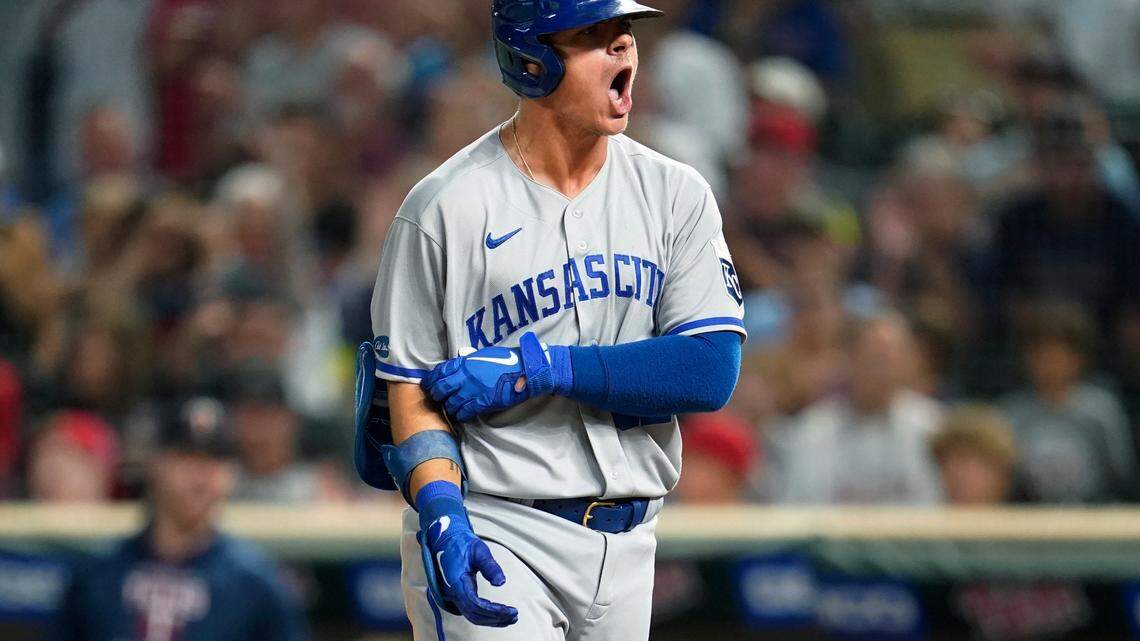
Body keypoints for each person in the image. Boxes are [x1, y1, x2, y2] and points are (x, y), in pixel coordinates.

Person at [355, 1, 744, 639]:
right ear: (531, 60)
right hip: (498, 523)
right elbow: (409, 390)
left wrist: (545, 369)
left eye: (625, 33)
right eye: (594, 35)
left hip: (631, 539)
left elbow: (709, 369)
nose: (623, 49)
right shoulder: (444, 207)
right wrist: (442, 511)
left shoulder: (677, 193)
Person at [48, 396, 309, 641]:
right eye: (187, 459)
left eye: (214, 462)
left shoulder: (256, 584)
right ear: (156, 464)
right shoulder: (99, 575)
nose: (201, 478)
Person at [770, 313, 943, 504]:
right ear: (849, 360)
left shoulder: (932, 427)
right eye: (876, 358)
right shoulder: (812, 431)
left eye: (894, 357)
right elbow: (793, 509)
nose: (885, 368)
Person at [1001, 302, 1136, 503]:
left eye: (1059, 354)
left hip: (1093, 516)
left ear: (1079, 358)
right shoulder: (1012, 412)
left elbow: (1120, 474)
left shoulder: (1101, 409)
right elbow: (1006, 481)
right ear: (1027, 358)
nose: (1050, 364)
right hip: (1029, 519)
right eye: (1042, 355)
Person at [929, 405, 1018, 505]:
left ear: (1002, 473)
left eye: (965, 459)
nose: (957, 472)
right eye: (946, 460)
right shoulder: (922, 515)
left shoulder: (1027, 517)